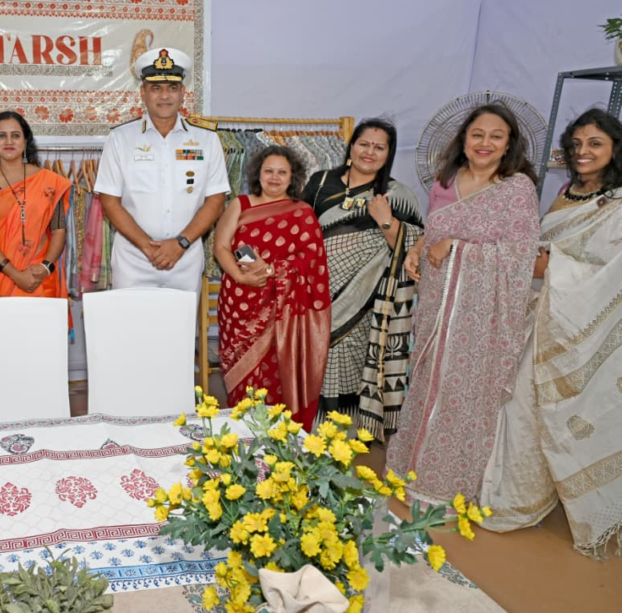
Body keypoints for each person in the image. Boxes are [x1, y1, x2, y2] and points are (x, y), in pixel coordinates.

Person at [479, 109, 622, 559]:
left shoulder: (617, 206)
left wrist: (552, 267)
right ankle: (511, 494)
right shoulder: (566, 193)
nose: (583, 152)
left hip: (577, 326)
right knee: (514, 404)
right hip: (539, 315)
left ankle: (518, 501)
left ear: (615, 149)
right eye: (576, 144)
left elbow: (611, 276)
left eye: (595, 143)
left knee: (529, 404)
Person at [387, 103, 540, 504]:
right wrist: (417, 250)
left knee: (461, 394)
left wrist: (456, 248)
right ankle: (411, 468)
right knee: (427, 383)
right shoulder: (446, 181)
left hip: (480, 318)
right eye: (477, 134)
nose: (485, 143)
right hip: (436, 306)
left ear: (509, 144)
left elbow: (520, 256)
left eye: (496, 136)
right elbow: (434, 230)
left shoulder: (516, 189)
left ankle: (446, 483)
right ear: (464, 139)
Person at [303, 119, 423, 440]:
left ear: (388, 154)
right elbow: (298, 231)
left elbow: (414, 250)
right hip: (314, 297)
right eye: (364, 144)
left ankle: (347, 439)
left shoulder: (397, 195)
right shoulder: (320, 182)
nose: (369, 152)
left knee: (349, 371)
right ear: (351, 146)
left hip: (363, 305)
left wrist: (385, 220)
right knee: (311, 366)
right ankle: (307, 435)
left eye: (379, 147)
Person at [94, 47, 230, 293]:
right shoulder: (120, 138)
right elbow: (110, 201)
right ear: (143, 93)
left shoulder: (207, 139)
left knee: (181, 320)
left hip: (185, 259)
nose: (165, 96)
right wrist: (147, 247)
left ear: (183, 93)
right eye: (156, 88)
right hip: (133, 260)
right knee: (131, 320)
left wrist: (180, 243)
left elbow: (216, 200)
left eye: (172, 88)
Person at [213, 145, 331, 425]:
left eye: (282, 172)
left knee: (275, 371)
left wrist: (271, 270)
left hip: (283, 309)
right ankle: (242, 430)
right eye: (269, 171)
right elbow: (221, 247)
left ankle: (276, 432)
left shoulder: (302, 213)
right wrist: (241, 277)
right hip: (239, 301)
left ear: (292, 177)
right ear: (258, 174)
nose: (275, 178)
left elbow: (311, 260)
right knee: (240, 371)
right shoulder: (240, 204)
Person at [0, 110, 73, 298]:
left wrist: (46, 267)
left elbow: (59, 230)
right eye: (2, 136)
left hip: (39, 278)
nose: (9, 141)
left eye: (15, 135)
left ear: (25, 142)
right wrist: (15, 274)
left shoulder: (48, 181)